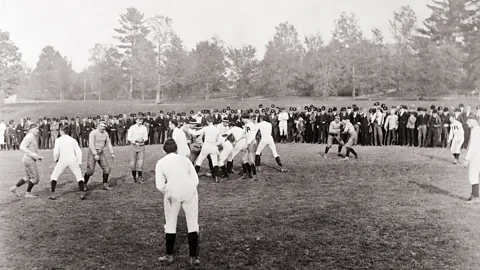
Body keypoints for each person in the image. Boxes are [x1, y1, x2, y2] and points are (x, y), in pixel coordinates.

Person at [156, 139, 200, 266]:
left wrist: (169, 192)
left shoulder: (161, 162)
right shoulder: (185, 160)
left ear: (164, 151)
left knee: (170, 223)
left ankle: (169, 255)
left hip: (172, 191)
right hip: (189, 189)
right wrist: (189, 189)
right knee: (192, 223)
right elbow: (195, 179)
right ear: (176, 150)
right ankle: (192, 257)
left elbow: (159, 185)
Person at [49, 125, 86, 200]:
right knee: (79, 176)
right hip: (73, 160)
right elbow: (79, 152)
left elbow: (56, 152)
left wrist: (56, 159)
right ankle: (82, 193)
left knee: (54, 176)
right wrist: (79, 162)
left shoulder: (58, 140)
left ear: (62, 131)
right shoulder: (73, 140)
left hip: (63, 160)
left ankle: (52, 193)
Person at [9, 123, 43, 198]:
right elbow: (22, 147)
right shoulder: (29, 136)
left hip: (28, 159)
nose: (37, 130)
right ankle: (28, 193)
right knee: (35, 179)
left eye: (37, 129)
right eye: (36, 129)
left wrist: (37, 156)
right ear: (31, 130)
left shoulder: (32, 136)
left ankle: (14, 188)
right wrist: (32, 155)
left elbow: (31, 148)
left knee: (28, 177)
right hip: (29, 160)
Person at [187, 117, 221, 183]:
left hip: (206, 146)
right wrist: (215, 144)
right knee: (215, 162)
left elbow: (195, 133)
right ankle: (216, 178)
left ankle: (195, 176)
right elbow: (220, 140)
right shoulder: (216, 129)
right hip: (213, 146)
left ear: (208, 122)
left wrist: (187, 129)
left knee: (199, 161)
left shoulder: (206, 128)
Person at [83, 120, 115, 191]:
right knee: (90, 171)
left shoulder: (105, 133)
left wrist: (112, 153)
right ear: (98, 126)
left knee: (107, 170)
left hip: (101, 152)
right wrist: (95, 154)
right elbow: (91, 144)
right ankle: (84, 184)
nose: (102, 128)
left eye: (104, 126)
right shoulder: (93, 133)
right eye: (101, 126)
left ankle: (105, 185)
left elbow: (108, 143)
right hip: (93, 152)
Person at [127, 116, 148, 183]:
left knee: (140, 163)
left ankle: (140, 177)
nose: (140, 121)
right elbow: (129, 137)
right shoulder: (132, 127)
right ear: (136, 120)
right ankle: (134, 177)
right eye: (139, 119)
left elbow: (146, 137)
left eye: (141, 119)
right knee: (132, 163)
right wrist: (135, 142)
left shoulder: (144, 128)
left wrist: (142, 140)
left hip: (141, 146)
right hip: (133, 146)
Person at [463, 118, 480, 203]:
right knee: (473, 175)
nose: (467, 123)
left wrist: (467, 159)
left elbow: (473, 147)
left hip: (476, 156)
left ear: (474, 122)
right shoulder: (475, 129)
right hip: (476, 155)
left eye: (469, 121)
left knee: (473, 175)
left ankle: (476, 197)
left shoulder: (476, 131)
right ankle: (474, 194)